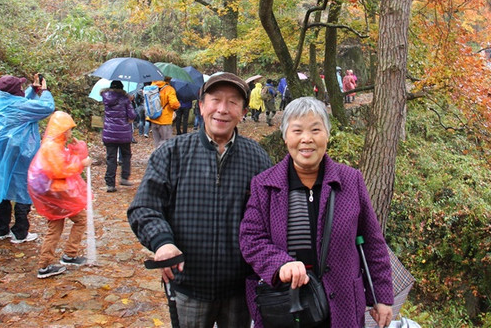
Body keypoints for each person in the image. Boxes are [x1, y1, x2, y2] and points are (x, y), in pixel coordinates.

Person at [128, 72, 272, 328]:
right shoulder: (172, 152)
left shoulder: (257, 158)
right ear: (202, 105)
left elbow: (270, 217)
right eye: (215, 100)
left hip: (240, 287)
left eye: (232, 102)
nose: (222, 109)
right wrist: (162, 243)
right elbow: (144, 207)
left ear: (243, 111)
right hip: (188, 284)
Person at [239, 97, 394, 328]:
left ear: (327, 135)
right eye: (297, 130)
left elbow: (373, 242)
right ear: (285, 137)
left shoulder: (351, 181)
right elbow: (251, 239)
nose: (306, 139)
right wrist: (280, 264)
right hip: (286, 306)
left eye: (315, 130)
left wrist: (381, 297)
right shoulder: (264, 185)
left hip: (342, 304)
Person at [0, 74, 55, 243]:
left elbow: (22, 103)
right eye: (20, 87)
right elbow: (46, 107)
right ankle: (20, 232)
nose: (22, 89)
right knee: (23, 188)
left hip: (0, 151)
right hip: (20, 152)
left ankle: (1, 230)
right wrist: (44, 91)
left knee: (3, 187)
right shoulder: (19, 106)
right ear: (14, 91)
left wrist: (33, 89)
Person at [27, 111, 92, 279]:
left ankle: (50, 261)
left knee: (56, 226)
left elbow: (64, 162)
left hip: (53, 193)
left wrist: (77, 151)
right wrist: (81, 163)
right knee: (79, 220)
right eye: (69, 129)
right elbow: (60, 170)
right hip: (55, 194)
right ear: (63, 130)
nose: (71, 132)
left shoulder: (53, 143)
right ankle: (61, 258)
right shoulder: (52, 147)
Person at [101, 80, 136, 192]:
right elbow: (132, 115)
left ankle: (110, 184)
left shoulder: (106, 98)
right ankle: (124, 177)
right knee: (126, 155)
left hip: (109, 132)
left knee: (111, 158)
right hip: (123, 133)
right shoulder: (125, 99)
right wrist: (130, 101)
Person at [146, 76, 180, 149]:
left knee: (157, 142)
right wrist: (178, 105)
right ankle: (164, 158)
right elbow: (174, 104)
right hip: (165, 119)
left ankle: (157, 157)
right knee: (166, 142)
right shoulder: (169, 89)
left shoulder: (151, 87)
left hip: (153, 118)